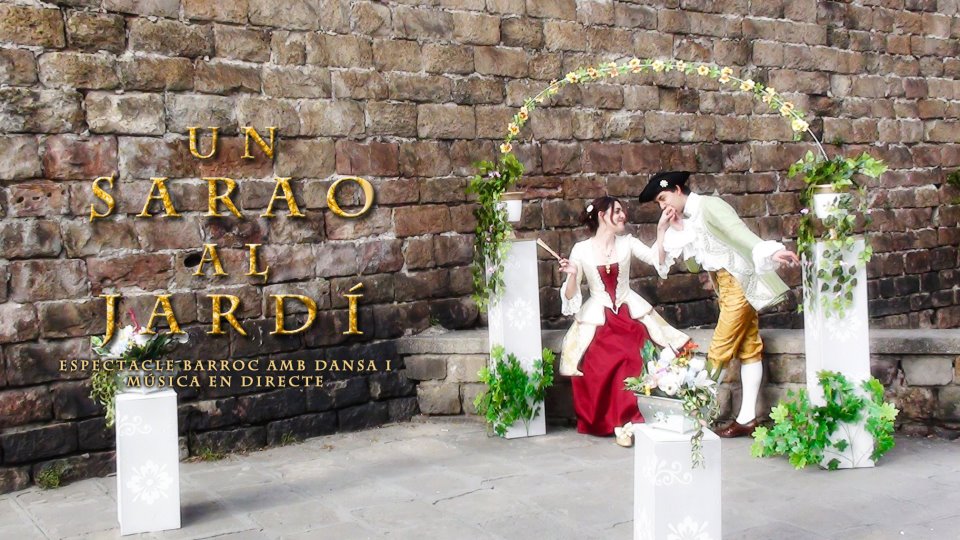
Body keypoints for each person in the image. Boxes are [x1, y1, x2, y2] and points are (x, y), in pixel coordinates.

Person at [639, 171, 800, 438]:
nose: (662, 206)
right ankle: (747, 418)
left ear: (677, 189)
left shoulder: (710, 206)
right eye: (659, 202)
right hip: (725, 286)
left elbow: (739, 233)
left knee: (719, 348)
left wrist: (771, 251)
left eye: (663, 198)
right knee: (749, 346)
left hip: (739, 281)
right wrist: (675, 229)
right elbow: (693, 266)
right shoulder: (689, 220)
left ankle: (693, 413)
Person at [558, 196, 692, 447]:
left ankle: (633, 421)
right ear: (602, 215)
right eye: (617, 211)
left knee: (634, 353)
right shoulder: (581, 250)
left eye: (622, 211)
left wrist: (661, 229)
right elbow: (569, 296)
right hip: (599, 317)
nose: (623, 215)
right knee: (597, 359)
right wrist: (573, 276)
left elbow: (656, 259)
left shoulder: (627, 242)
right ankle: (612, 421)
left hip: (629, 312)